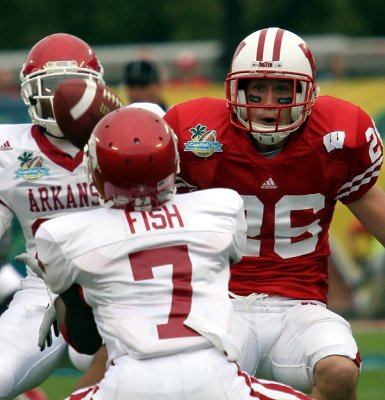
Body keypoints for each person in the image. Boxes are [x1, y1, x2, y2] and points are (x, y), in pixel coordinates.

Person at [164, 27, 385, 400]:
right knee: (196, 377)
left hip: (302, 307)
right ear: (236, 90)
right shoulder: (196, 134)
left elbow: (374, 208)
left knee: (339, 371)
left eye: (284, 90)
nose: (270, 103)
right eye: (258, 89)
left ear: (307, 93)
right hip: (224, 301)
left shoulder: (338, 137)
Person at [31, 106, 312, 400]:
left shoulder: (65, 234)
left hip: (129, 380)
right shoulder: (219, 207)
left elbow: (85, 342)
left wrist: (67, 296)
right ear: (172, 160)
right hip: (212, 372)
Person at [0, 32, 106, 398]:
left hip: (120, 286)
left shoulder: (120, 136)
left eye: (72, 86)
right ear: (29, 93)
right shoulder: (8, 150)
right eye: (50, 86)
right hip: (42, 290)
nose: (61, 98)